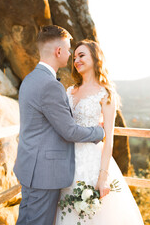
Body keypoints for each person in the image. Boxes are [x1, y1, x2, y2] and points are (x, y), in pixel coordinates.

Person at [13, 26, 105, 225]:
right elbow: (69, 131)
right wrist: (99, 131)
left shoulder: (29, 79)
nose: (71, 54)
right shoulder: (50, 85)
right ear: (58, 51)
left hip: (29, 166)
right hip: (44, 173)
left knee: (25, 221)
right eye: (69, 49)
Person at [55, 40, 144, 224]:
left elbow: (109, 138)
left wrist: (102, 177)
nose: (76, 60)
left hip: (92, 163)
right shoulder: (69, 91)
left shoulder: (105, 94)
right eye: (74, 57)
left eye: (81, 55)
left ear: (95, 59)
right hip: (67, 162)